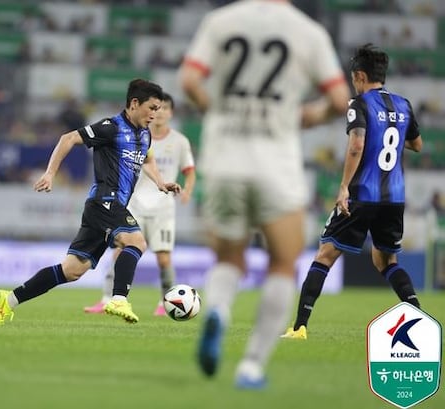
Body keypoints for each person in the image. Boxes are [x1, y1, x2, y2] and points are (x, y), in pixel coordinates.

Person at [179, 0, 350, 389]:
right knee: (283, 263)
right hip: (276, 162)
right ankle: (251, 367)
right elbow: (340, 100)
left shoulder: (220, 21)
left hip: (224, 159)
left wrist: (217, 113)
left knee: (229, 257)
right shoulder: (308, 32)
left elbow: (189, 80)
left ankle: (218, 311)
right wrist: (307, 117)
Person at [0, 79, 181, 325]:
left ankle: (9, 300)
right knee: (136, 241)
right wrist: (50, 173)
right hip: (105, 200)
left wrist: (160, 182)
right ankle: (118, 299)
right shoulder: (111, 127)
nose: (155, 114)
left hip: (105, 208)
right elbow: (68, 138)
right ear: (135, 103)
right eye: (152, 108)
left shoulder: (144, 134)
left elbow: (147, 159)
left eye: (159, 109)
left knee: (72, 270)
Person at [282, 44, 423, 340]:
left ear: (359, 76)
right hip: (394, 198)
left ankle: (299, 327)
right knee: (386, 262)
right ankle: (420, 320)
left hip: (361, 194)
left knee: (325, 255)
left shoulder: (358, 104)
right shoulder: (404, 104)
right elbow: (417, 144)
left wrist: (344, 186)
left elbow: (357, 145)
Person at [83, 92, 196, 316]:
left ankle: (165, 303)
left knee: (163, 258)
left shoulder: (180, 141)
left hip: (163, 207)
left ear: (171, 113)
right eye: (156, 108)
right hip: (134, 203)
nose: (160, 113)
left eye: (165, 109)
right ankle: (106, 299)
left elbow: (189, 170)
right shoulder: (138, 136)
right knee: (119, 250)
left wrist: (188, 192)